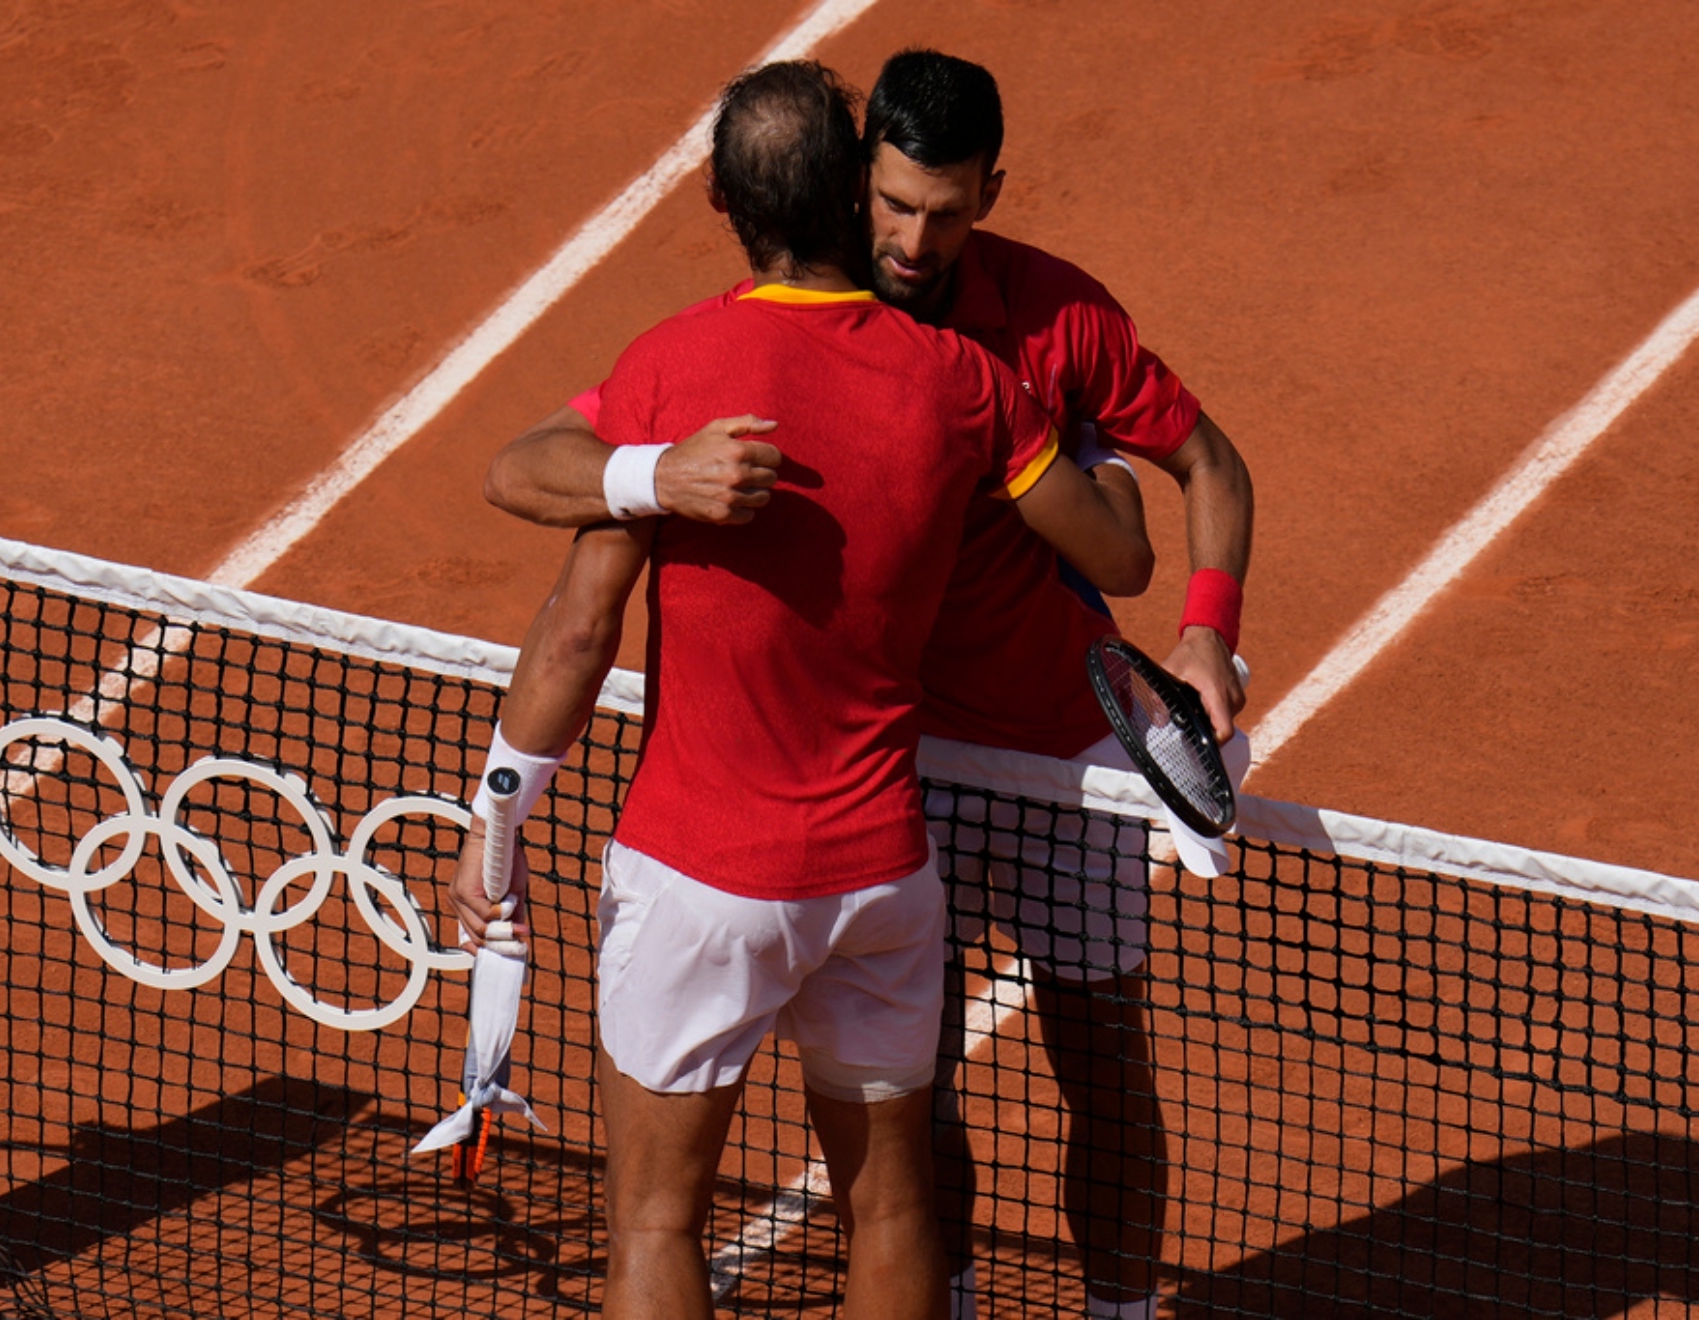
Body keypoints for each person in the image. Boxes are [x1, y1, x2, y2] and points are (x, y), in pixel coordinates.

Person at [481, 50, 1255, 1320]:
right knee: (913, 1119)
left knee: (1102, 1063)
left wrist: (1207, 635)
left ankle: (1116, 1312)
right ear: (854, 190)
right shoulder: (910, 374)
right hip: (907, 781)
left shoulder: (1052, 324)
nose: (913, 237)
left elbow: (1194, 483)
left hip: (1058, 761)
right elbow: (1114, 534)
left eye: (946, 212)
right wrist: (658, 473)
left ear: (990, 195)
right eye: (892, 206)